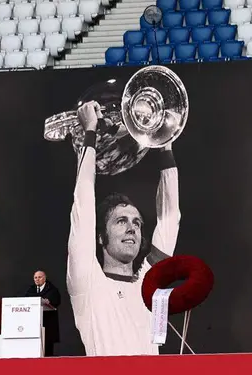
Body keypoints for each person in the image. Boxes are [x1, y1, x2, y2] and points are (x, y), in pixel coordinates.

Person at [66, 100, 180, 357]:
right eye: (121, 221)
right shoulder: (87, 283)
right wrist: (90, 133)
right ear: (100, 237)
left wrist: (164, 145)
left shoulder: (148, 284)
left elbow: (171, 219)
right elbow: (82, 203)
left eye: (137, 223)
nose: (132, 228)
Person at [29, 269, 63, 356]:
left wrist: (49, 301)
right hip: (34, 323)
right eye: (35, 277)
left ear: (44, 278)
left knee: (47, 347)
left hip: (48, 322)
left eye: (39, 277)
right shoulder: (31, 289)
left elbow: (57, 301)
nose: (37, 279)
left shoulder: (52, 289)